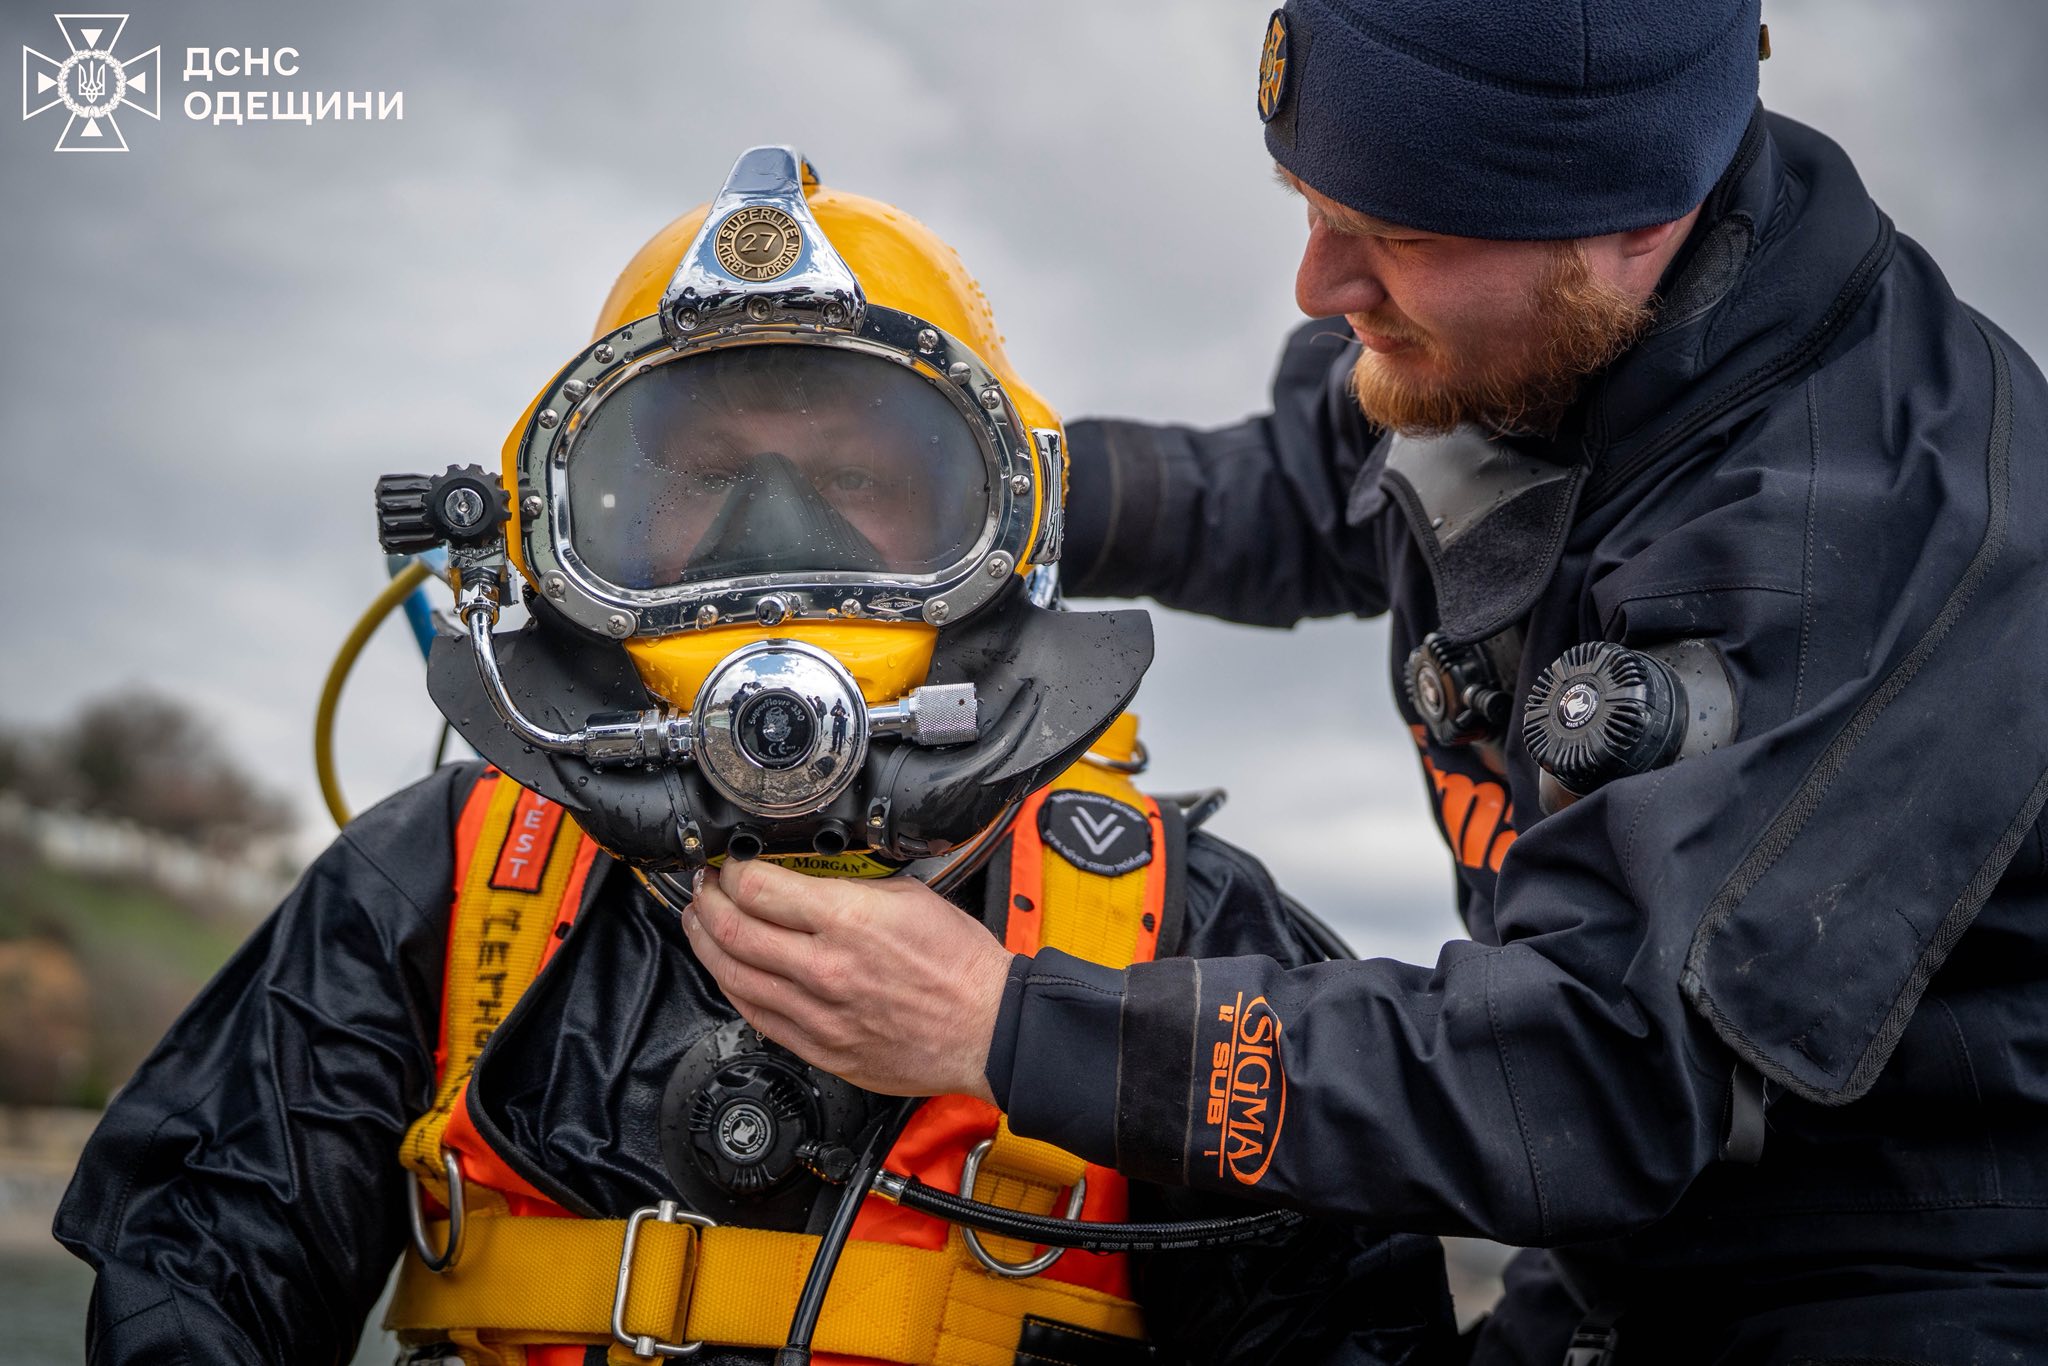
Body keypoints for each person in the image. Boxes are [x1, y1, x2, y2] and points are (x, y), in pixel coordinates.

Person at [682, 6, 2048, 1363]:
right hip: (1601, 1270)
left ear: (1635, 222)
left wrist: (1003, 1025)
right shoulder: (1533, 327)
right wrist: (946, 488)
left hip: (1890, 1278)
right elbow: (1297, 489)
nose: (1317, 283)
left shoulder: (1852, 532)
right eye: (1312, 205)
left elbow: (1598, 1069)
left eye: (1398, 234)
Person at [51, 146, 1456, 1366]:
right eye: (704, 480)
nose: (774, 537)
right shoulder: (438, 884)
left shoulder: (1172, 934)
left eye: (855, 479)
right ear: (564, 533)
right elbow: (204, 1275)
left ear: (1003, 522)